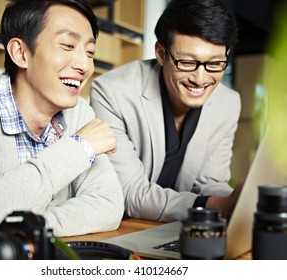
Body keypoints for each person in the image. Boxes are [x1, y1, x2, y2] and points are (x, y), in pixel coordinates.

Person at [0, 0, 124, 253]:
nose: (84, 65)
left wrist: (24, 228)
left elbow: (109, 205)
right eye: (68, 46)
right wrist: (79, 148)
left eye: (90, 52)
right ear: (20, 53)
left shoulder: (79, 112)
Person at [90, 0, 244, 223]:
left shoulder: (228, 103)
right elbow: (131, 193)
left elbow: (209, 182)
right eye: (186, 62)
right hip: (123, 226)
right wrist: (215, 206)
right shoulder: (112, 93)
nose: (200, 79)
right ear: (161, 53)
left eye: (215, 63)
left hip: (178, 227)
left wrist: (241, 200)